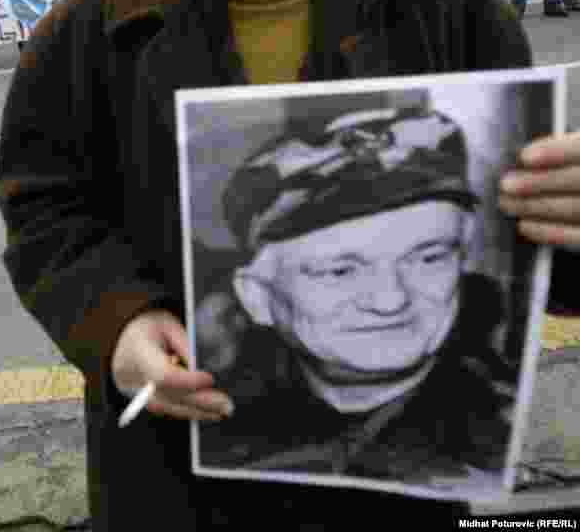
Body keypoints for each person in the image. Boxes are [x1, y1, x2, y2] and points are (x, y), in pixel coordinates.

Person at [0, 0, 580, 528]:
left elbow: (534, 255)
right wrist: (117, 320)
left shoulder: (452, 11)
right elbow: (44, 209)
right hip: (174, 494)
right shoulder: (83, 33)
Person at [198, 108, 513, 485]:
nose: (390, 300)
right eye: (340, 270)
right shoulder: (208, 435)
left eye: (428, 258)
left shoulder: (517, 437)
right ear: (256, 296)